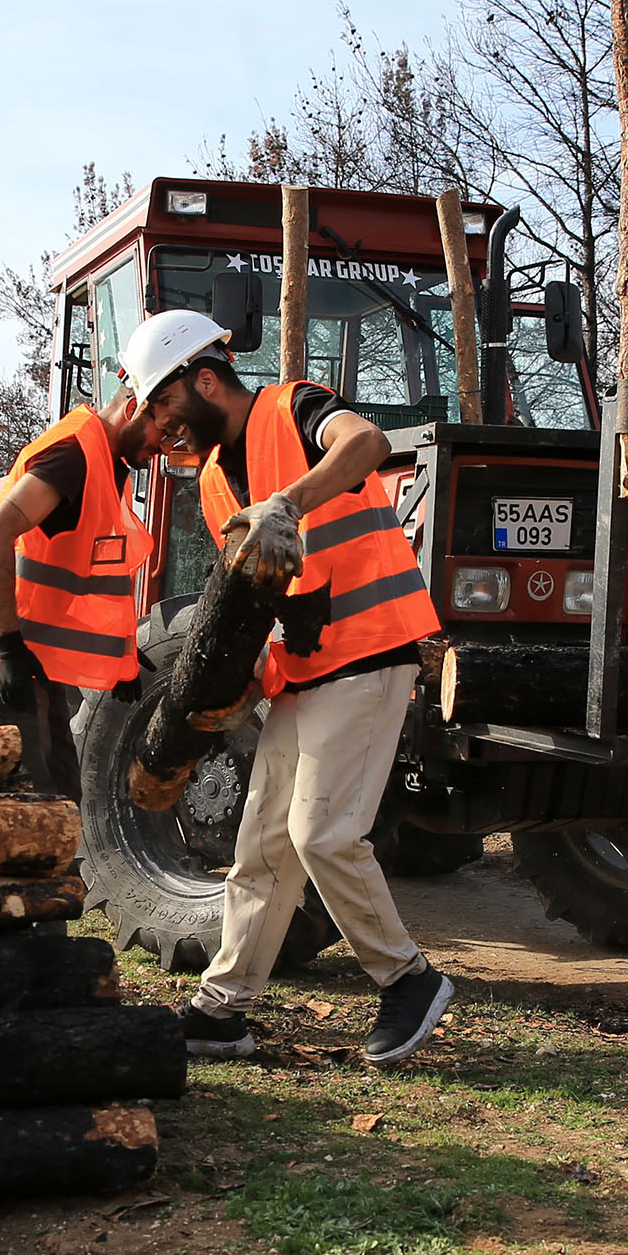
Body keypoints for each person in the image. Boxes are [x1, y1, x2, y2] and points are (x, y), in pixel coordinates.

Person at [116, 309, 455, 1065]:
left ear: (205, 379)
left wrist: (288, 502)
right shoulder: (209, 480)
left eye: (167, 406)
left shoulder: (292, 407)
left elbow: (364, 444)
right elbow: (255, 595)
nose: (164, 427)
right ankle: (222, 1007)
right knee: (262, 846)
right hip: (303, 671)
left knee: (321, 835)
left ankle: (408, 980)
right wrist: (242, 684)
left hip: (370, 650)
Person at [0, 395, 153, 798]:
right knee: (8, 809)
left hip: (33, 661)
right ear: (134, 409)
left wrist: (122, 651)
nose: (168, 444)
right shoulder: (73, 455)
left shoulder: (106, 468)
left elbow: (88, 579)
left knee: (58, 805)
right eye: (165, 427)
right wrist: (8, 648)